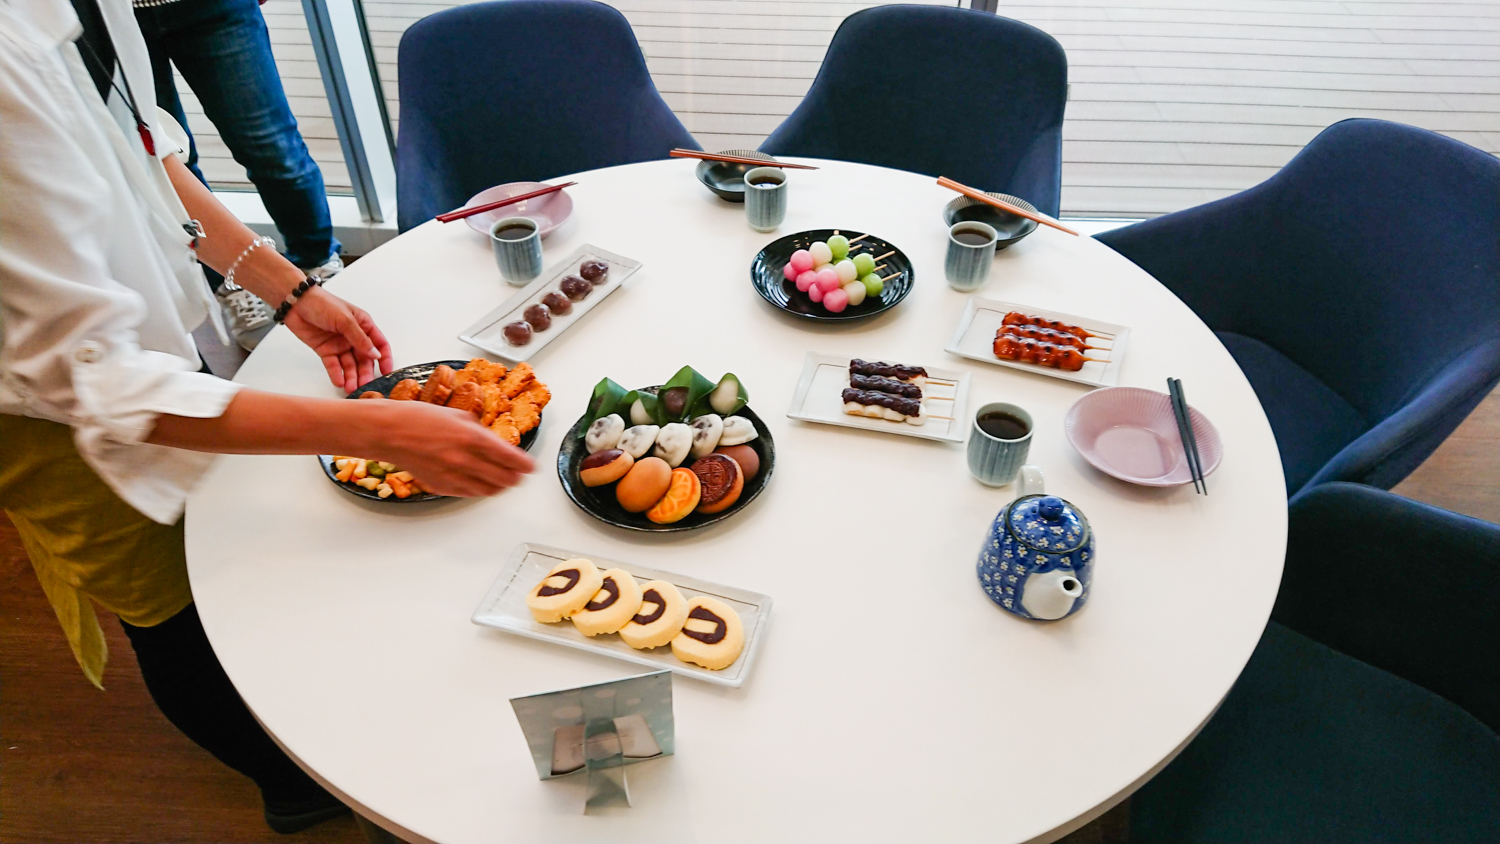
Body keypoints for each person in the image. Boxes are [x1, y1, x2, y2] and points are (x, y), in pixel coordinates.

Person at [0, 0, 533, 833]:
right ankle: (289, 785)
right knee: (168, 606)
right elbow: (92, 376)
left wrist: (285, 288)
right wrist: (379, 430)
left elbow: (145, 157)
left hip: (149, 340)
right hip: (41, 409)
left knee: (230, 554)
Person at [134, 0, 344, 352]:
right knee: (167, 164)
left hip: (215, 6)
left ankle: (317, 264)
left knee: (274, 149)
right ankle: (231, 282)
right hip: (106, 16)